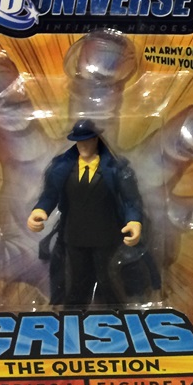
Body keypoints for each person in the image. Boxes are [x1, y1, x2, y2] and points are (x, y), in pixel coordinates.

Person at [27, 119, 143, 306]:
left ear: (96, 139)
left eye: (87, 140)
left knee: (108, 280)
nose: (83, 145)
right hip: (75, 235)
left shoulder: (114, 168)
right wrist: (39, 211)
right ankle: (73, 315)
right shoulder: (62, 168)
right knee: (77, 281)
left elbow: (131, 199)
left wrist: (134, 221)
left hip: (106, 234)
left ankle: (116, 314)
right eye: (79, 141)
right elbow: (50, 195)